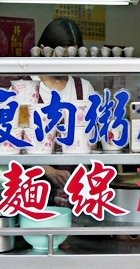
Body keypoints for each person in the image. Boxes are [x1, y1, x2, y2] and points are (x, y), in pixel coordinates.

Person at [31, 18, 96, 189]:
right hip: (35, 184)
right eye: (62, 54)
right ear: (44, 49)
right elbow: (15, 143)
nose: (67, 61)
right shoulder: (26, 87)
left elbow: (92, 138)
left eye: (73, 54)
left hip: (76, 182)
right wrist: (49, 171)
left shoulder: (84, 87)